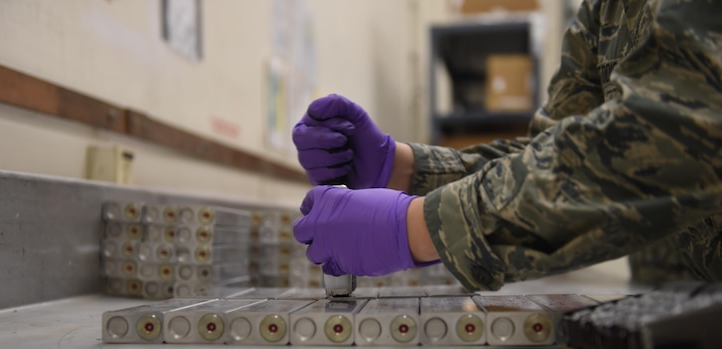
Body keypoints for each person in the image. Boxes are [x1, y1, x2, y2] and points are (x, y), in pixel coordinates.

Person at [291, 0, 722, 292]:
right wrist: (401, 169)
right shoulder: (604, 11)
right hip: (686, 318)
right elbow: (556, 153)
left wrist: (415, 227)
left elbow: (672, 141)